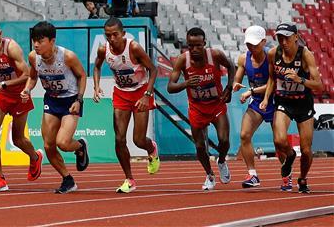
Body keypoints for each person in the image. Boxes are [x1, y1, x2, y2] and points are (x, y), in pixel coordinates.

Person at [0, 18, 43, 193]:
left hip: (20, 94)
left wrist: (3, 84)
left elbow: (27, 75)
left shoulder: (11, 48)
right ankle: (0, 178)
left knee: (17, 139)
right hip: (1, 95)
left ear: (0, 34)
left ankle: (35, 157)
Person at [92, 18, 159, 194]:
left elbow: (153, 70)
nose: (112, 38)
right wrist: (96, 86)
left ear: (123, 33)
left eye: (115, 34)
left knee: (138, 140)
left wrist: (147, 95)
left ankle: (151, 148)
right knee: (119, 139)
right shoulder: (103, 49)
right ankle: (129, 179)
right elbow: (97, 67)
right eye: (108, 35)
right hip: (121, 93)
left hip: (140, 92)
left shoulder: (134, 48)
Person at [24, 21, 90, 194]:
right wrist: (28, 89)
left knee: (63, 142)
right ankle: (67, 179)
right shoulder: (33, 57)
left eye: (40, 40)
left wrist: (79, 100)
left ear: (52, 41)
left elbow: (82, 76)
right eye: (34, 40)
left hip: (70, 101)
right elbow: (32, 77)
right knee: (48, 146)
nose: (36, 44)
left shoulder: (67, 57)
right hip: (51, 100)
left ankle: (80, 146)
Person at [167, 27, 234, 191]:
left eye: (198, 45)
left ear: (204, 43)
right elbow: (170, 87)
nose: (194, 49)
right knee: (200, 146)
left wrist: (229, 88)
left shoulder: (215, 55)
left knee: (224, 140)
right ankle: (210, 175)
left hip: (216, 104)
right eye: (190, 46)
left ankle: (222, 160)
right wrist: (186, 83)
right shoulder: (183, 60)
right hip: (197, 108)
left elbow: (232, 67)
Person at [260, 23, 323, 194]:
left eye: (287, 37)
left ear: (296, 37)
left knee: (306, 149)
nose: (283, 41)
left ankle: (302, 178)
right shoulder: (273, 53)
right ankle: (290, 156)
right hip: (284, 101)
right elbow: (272, 79)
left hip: (303, 104)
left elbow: (319, 86)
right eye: (280, 37)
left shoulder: (306, 55)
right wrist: (266, 98)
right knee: (279, 141)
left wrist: (299, 79)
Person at [232, 25, 274, 188]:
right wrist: (235, 84)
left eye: (255, 45)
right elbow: (237, 77)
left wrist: (250, 91)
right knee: (244, 135)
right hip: (257, 102)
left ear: (264, 42)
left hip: (273, 100)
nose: (252, 47)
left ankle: (287, 175)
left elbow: (273, 83)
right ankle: (252, 174)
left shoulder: (271, 57)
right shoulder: (243, 58)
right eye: (249, 44)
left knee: (280, 142)